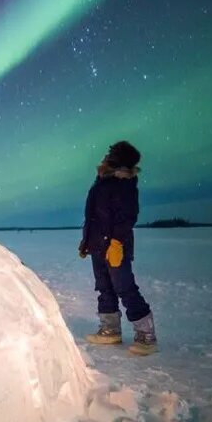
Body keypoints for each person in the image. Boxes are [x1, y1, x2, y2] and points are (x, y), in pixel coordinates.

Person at [78, 141, 157, 355]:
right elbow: (94, 216)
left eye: (111, 152)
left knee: (124, 287)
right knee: (104, 287)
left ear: (119, 158)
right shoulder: (103, 180)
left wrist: (117, 242)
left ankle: (146, 335)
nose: (107, 155)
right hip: (98, 244)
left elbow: (127, 217)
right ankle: (110, 330)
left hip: (115, 245)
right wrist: (87, 241)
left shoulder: (123, 183)